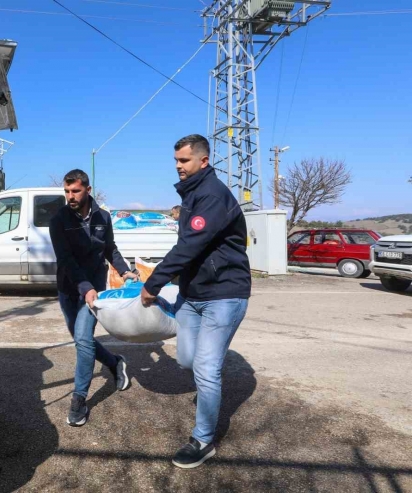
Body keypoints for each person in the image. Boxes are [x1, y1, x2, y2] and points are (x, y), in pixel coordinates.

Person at [140, 134, 251, 468]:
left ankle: (203, 440)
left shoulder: (213, 195)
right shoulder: (192, 195)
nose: (178, 166)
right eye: (176, 161)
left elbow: (190, 246)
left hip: (225, 294)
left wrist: (154, 283)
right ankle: (210, 376)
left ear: (203, 161)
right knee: (187, 359)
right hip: (193, 295)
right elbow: (189, 249)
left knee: (204, 367)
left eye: (184, 161)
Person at [50, 169, 139, 427]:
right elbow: (65, 259)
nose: (70, 196)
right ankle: (115, 363)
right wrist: (84, 287)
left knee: (83, 339)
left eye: (75, 191)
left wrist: (124, 271)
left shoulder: (103, 217)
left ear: (88, 190)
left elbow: (110, 248)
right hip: (70, 288)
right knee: (82, 340)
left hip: (95, 292)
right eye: (67, 191)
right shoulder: (59, 220)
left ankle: (79, 399)